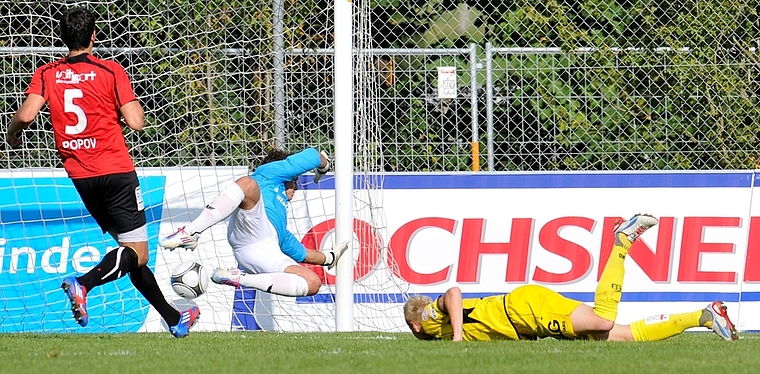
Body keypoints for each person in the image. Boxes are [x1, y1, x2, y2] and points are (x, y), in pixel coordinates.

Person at [5, 7, 199, 338]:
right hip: (116, 170)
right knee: (136, 253)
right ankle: (83, 284)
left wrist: (12, 134)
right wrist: (118, 114)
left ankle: (172, 318)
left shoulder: (47, 72)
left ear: (61, 38)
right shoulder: (110, 71)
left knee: (129, 253)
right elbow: (137, 123)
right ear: (95, 36)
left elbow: (25, 116)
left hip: (81, 175)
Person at [403, 214, 739, 342]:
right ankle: (704, 316)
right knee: (620, 338)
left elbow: (453, 292)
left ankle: (621, 243)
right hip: (525, 319)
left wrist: (458, 338)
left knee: (604, 322)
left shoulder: (430, 323)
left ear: (415, 325)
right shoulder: (437, 334)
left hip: (524, 309)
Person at [160, 147, 349, 297]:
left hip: (260, 250)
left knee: (312, 283)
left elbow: (302, 254)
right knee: (248, 185)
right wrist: (324, 166)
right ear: (287, 174)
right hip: (251, 228)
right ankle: (191, 232)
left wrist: (330, 257)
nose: (297, 186)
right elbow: (314, 155)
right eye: (295, 180)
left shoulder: (280, 229)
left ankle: (238, 278)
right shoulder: (269, 172)